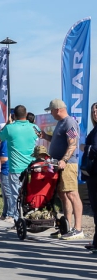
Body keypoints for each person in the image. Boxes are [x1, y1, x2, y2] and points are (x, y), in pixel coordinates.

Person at [39, 99, 83, 240]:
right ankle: (66, 227)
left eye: (51, 111)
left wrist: (64, 160)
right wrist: (46, 137)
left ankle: (78, 228)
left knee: (72, 194)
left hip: (68, 165)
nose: (51, 114)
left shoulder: (69, 122)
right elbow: (60, 140)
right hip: (59, 164)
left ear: (57, 109)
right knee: (63, 195)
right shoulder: (61, 123)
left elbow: (73, 143)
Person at [0, 105, 38, 221]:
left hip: (15, 168)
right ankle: (30, 215)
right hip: (31, 168)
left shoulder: (10, 128)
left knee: (16, 195)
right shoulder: (34, 127)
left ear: (14, 116)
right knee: (30, 193)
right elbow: (41, 136)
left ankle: (18, 219)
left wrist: (8, 123)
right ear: (26, 115)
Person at [80, 103, 97, 252]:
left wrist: (85, 148)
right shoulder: (94, 129)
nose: (95, 113)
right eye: (93, 110)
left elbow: (95, 149)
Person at [0, 138, 12, 220]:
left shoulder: (5, 142)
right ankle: (5, 213)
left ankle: (10, 213)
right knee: (5, 194)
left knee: (8, 193)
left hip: (6, 170)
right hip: (6, 170)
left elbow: (4, 158)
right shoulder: (5, 142)